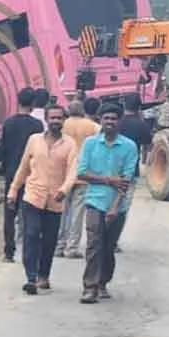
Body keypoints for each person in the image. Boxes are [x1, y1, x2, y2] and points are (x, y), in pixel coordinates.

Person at [7, 104, 80, 295]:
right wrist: (13, 191)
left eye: (59, 118)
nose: (55, 121)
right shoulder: (34, 140)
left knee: (49, 240)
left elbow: (73, 170)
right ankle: (31, 278)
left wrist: (65, 189)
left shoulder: (70, 144)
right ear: (46, 119)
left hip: (55, 199)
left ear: (64, 120)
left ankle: (43, 275)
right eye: (52, 118)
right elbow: (24, 168)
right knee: (31, 234)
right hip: (33, 195)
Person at [76, 103, 138, 303]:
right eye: (106, 118)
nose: (110, 122)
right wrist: (108, 180)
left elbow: (126, 180)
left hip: (117, 205)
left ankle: (103, 282)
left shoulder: (129, 146)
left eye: (113, 118)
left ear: (119, 121)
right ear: (100, 120)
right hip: (94, 201)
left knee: (108, 246)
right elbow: (82, 173)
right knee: (94, 244)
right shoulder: (90, 144)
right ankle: (90, 287)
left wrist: (115, 207)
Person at [0, 87, 45, 262]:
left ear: (18, 101)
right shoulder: (37, 125)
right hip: (31, 174)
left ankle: (8, 252)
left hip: (12, 172)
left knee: (10, 213)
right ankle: (28, 249)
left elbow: (3, 149)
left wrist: (5, 168)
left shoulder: (8, 123)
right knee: (30, 213)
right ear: (33, 104)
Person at [55, 100, 102, 259]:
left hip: (63, 174)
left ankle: (58, 245)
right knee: (77, 213)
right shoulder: (93, 126)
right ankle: (72, 247)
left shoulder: (62, 124)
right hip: (83, 174)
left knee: (60, 211)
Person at [113, 94, 153, 253]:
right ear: (139, 107)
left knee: (106, 203)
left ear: (124, 106)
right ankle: (113, 241)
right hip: (129, 172)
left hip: (109, 170)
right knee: (122, 207)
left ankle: (101, 236)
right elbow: (149, 145)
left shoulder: (116, 122)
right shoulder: (141, 125)